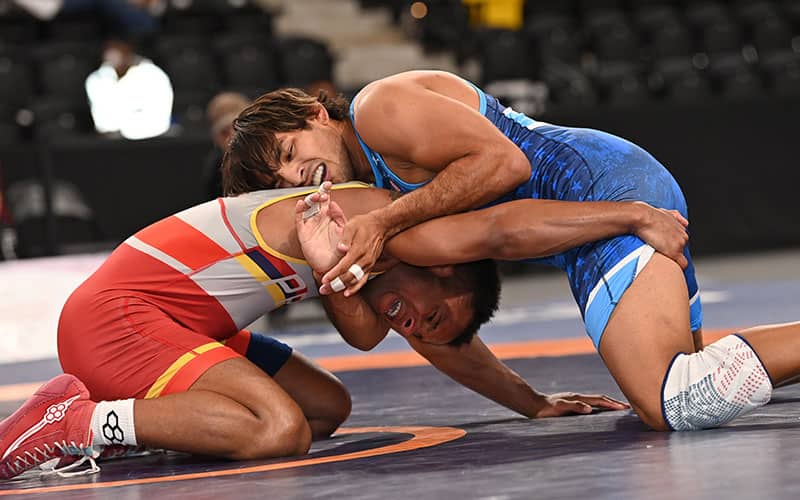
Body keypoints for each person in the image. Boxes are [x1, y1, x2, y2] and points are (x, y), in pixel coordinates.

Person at [0, 178, 689, 479]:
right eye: (428, 313)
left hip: (177, 321)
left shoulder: (381, 248)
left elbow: (432, 336)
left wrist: (531, 402)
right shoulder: (383, 225)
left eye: (420, 327)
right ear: (446, 268)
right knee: (279, 432)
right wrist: (629, 216)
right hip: (120, 320)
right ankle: (74, 423)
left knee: (326, 406)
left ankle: (138, 423)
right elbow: (499, 231)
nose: (413, 327)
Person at [224, 70, 796, 432]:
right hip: (589, 216)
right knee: (697, 365)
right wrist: (532, 403)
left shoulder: (380, 110)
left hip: (602, 191)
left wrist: (385, 222)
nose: (300, 175)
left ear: (315, 114)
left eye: (291, 150)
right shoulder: (361, 201)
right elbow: (418, 331)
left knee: (677, 399)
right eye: (283, 179)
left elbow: (506, 165)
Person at [85, 38, 173, 140]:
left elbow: (158, 120)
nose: (112, 53)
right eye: (109, 49)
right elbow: (103, 122)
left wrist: (126, 127)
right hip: (111, 145)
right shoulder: (96, 78)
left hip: (151, 142)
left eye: (117, 47)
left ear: (128, 49)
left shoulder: (154, 75)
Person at [203, 92, 251, 200]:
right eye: (224, 132)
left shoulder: (272, 156)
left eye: (238, 128)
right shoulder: (216, 170)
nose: (232, 136)